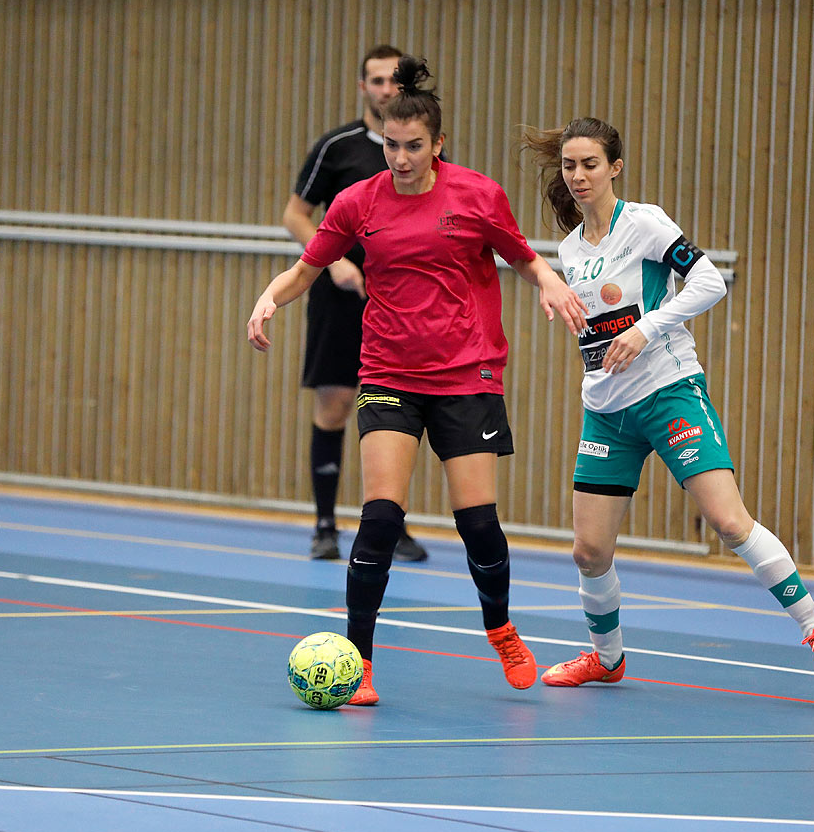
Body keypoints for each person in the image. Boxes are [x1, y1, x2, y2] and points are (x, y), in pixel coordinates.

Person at [249, 57, 588, 706]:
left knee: (478, 522)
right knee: (379, 517)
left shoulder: (477, 195)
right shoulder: (357, 203)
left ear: (436, 144)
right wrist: (270, 297)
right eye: (390, 147)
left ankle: (500, 627)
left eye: (412, 147)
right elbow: (305, 268)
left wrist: (549, 282)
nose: (400, 159)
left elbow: (521, 257)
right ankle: (362, 663)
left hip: (467, 372)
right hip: (388, 373)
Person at [518, 117, 814, 686]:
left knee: (727, 520)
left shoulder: (644, 223)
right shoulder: (571, 249)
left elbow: (709, 283)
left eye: (590, 164)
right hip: (606, 410)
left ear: (615, 167)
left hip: (669, 392)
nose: (578, 176)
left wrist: (646, 329)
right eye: (569, 166)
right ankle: (606, 658)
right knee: (588, 552)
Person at [283, 43, 426, 563]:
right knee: (337, 403)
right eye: (376, 81)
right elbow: (295, 215)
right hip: (340, 299)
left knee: (396, 410)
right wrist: (335, 259)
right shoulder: (337, 146)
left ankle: (392, 525)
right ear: (363, 87)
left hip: (401, 303)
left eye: (394, 81)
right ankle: (325, 524)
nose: (386, 89)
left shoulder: (424, 152)